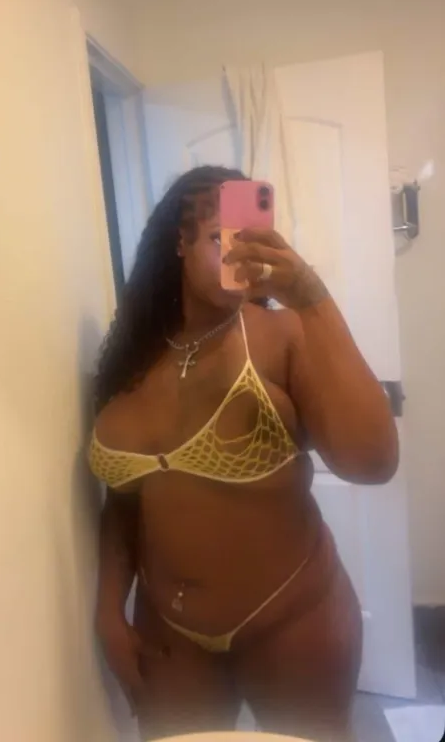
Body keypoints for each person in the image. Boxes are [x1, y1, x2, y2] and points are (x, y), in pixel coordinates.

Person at [89, 166, 398, 742]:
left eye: (251, 239)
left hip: (292, 619)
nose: (240, 255)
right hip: (169, 631)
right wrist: (108, 611)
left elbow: (373, 463)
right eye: (219, 238)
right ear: (179, 243)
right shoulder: (130, 360)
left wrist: (311, 297)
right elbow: (124, 502)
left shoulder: (283, 336)